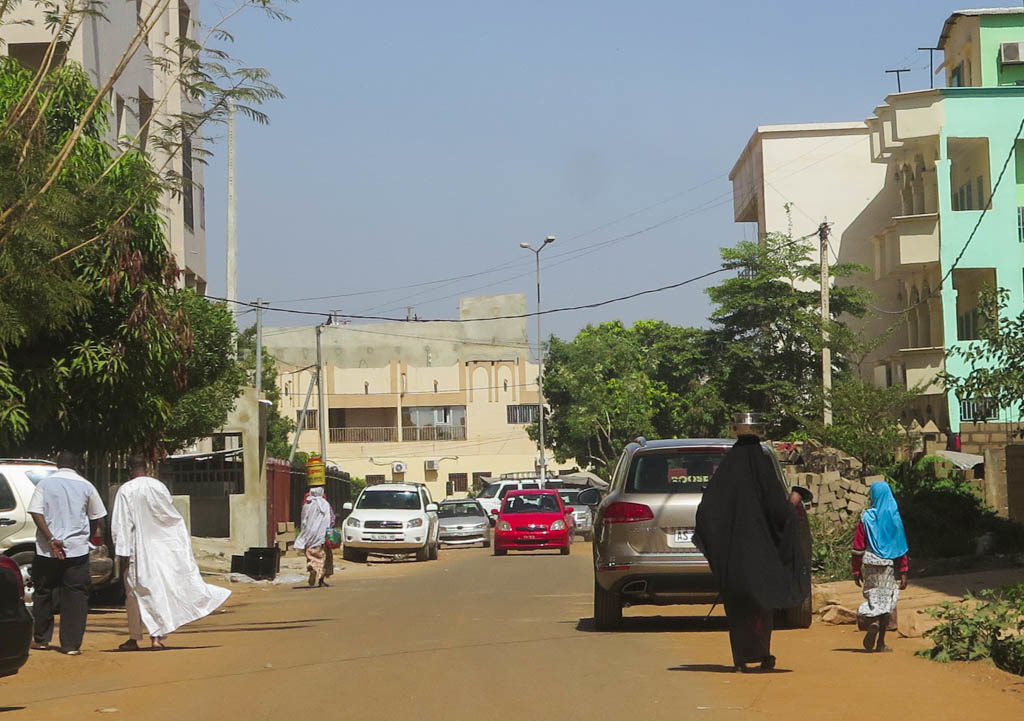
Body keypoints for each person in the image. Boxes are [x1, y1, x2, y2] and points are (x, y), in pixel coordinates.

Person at [695, 413, 809, 673]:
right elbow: (777, 511)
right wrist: (793, 503)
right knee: (761, 605)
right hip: (761, 554)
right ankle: (763, 654)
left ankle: (740, 659)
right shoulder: (762, 464)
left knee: (737, 607)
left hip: (733, 558)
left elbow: (706, 513)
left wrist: (721, 545)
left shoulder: (727, 470)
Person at [110, 456, 231, 651]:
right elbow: (170, 517)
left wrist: (122, 555)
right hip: (162, 550)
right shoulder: (159, 487)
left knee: (135, 594)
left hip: (138, 552)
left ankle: (136, 638)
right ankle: (155, 637)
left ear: (129, 469)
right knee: (157, 591)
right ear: (146, 467)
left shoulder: (126, 490)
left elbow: (121, 525)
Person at [27, 451, 107, 656]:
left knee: (44, 592)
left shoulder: (45, 484)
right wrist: (86, 538)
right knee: (75, 595)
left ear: (57, 464)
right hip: (77, 550)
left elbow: (36, 511)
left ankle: (42, 639)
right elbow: (97, 516)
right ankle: (71, 645)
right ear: (76, 465)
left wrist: (51, 538)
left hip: (47, 550)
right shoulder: (86, 486)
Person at [852, 481, 909, 653]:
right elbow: (900, 546)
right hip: (888, 566)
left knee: (873, 597)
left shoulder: (867, 517)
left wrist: (856, 570)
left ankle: (873, 622)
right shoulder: (894, 517)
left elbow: (858, 546)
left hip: (870, 563)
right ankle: (881, 642)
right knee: (887, 600)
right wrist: (904, 572)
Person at [294, 482, 335, 587]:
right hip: (322, 535)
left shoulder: (307, 505)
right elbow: (331, 519)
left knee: (311, 554)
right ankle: (321, 578)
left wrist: (304, 533)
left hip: (310, 534)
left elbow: (303, 520)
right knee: (323, 556)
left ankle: (312, 568)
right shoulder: (325, 505)